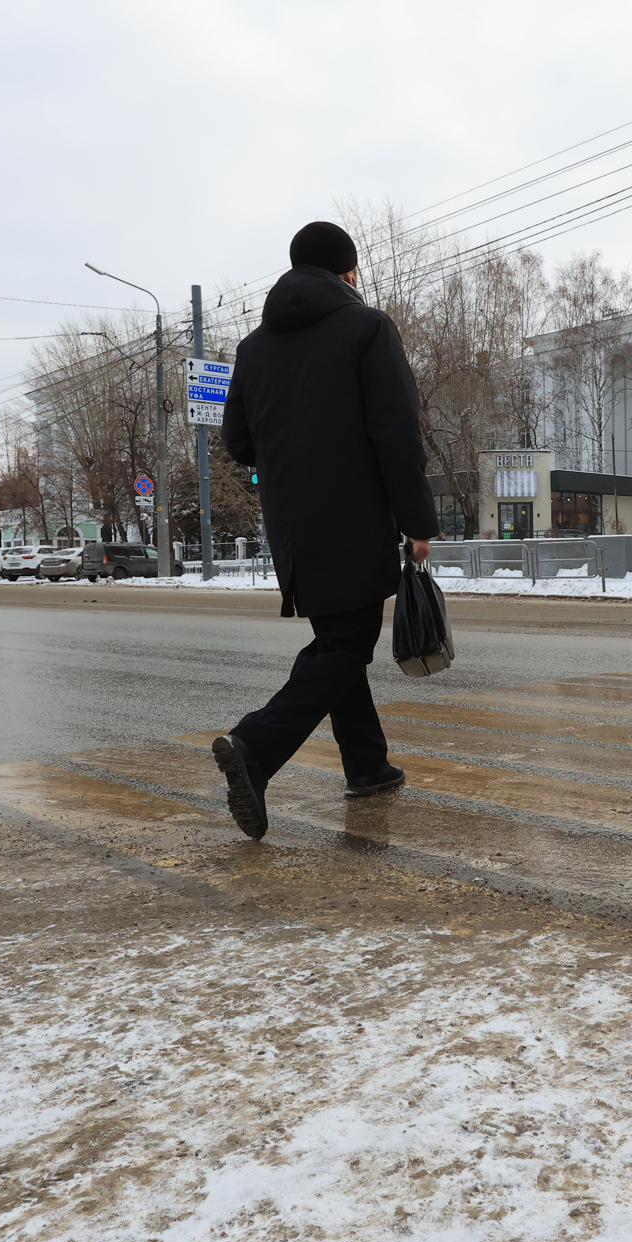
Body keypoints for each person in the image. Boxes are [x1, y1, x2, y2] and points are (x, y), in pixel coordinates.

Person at [211, 220, 437, 839]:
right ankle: (255, 745)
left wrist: (291, 454)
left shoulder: (253, 349)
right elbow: (396, 434)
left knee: (342, 637)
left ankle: (367, 765)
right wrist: (417, 522)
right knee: (346, 644)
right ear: (347, 272)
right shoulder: (367, 328)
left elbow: (237, 442)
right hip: (355, 516)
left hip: (291, 524)